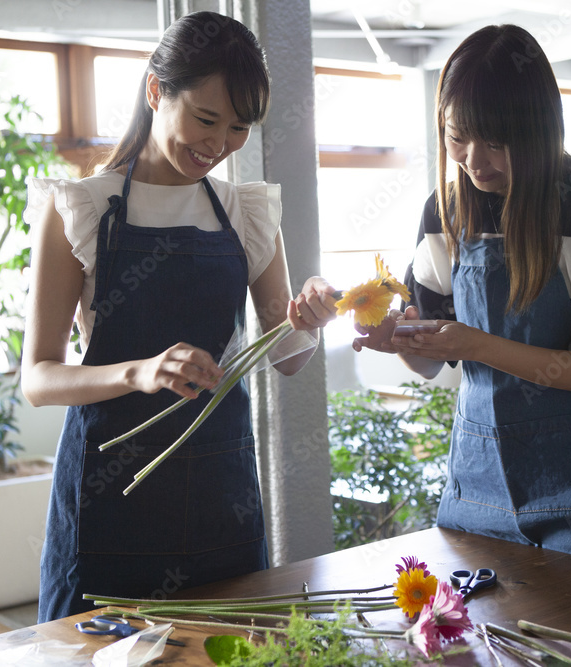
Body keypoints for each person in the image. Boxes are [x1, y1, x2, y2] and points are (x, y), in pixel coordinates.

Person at [21, 11, 336, 622]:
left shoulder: (245, 210)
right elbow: (37, 379)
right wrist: (138, 373)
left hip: (220, 491)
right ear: (155, 91)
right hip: (106, 492)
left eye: (239, 128)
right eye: (206, 119)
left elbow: (287, 358)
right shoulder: (83, 207)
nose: (218, 146)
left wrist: (312, 319)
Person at [354, 24, 571, 569]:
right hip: (478, 482)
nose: (475, 159)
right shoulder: (444, 213)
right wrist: (392, 339)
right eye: (457, 136)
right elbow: (430, 357)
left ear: (539, 128)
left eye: (497, 140)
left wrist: (478, 345)